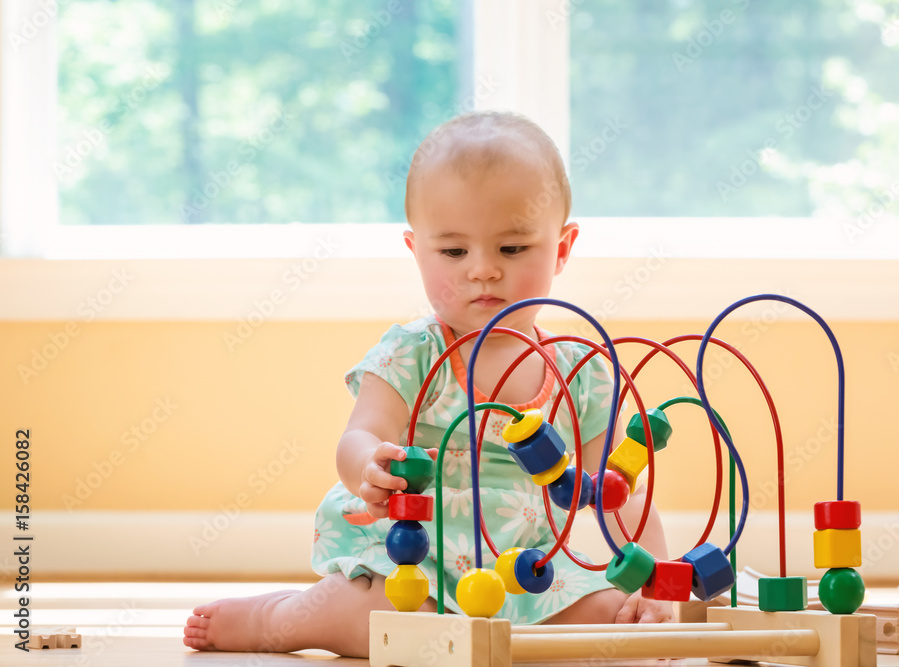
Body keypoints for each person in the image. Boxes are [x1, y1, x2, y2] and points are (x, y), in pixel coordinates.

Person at [183, 111, 673, 659]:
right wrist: (369, 467)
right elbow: (360, 434)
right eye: (454, 251)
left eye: (512, 249)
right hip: (411, 565)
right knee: (386, 619)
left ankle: (504, 624)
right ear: (416, 251)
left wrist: (651, 580)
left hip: (519, 578)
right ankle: (282, 617)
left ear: (561, 248)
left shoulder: (581, 372)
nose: (483, 270)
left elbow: (620, 492)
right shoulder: (413, 352)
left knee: (613, 619)